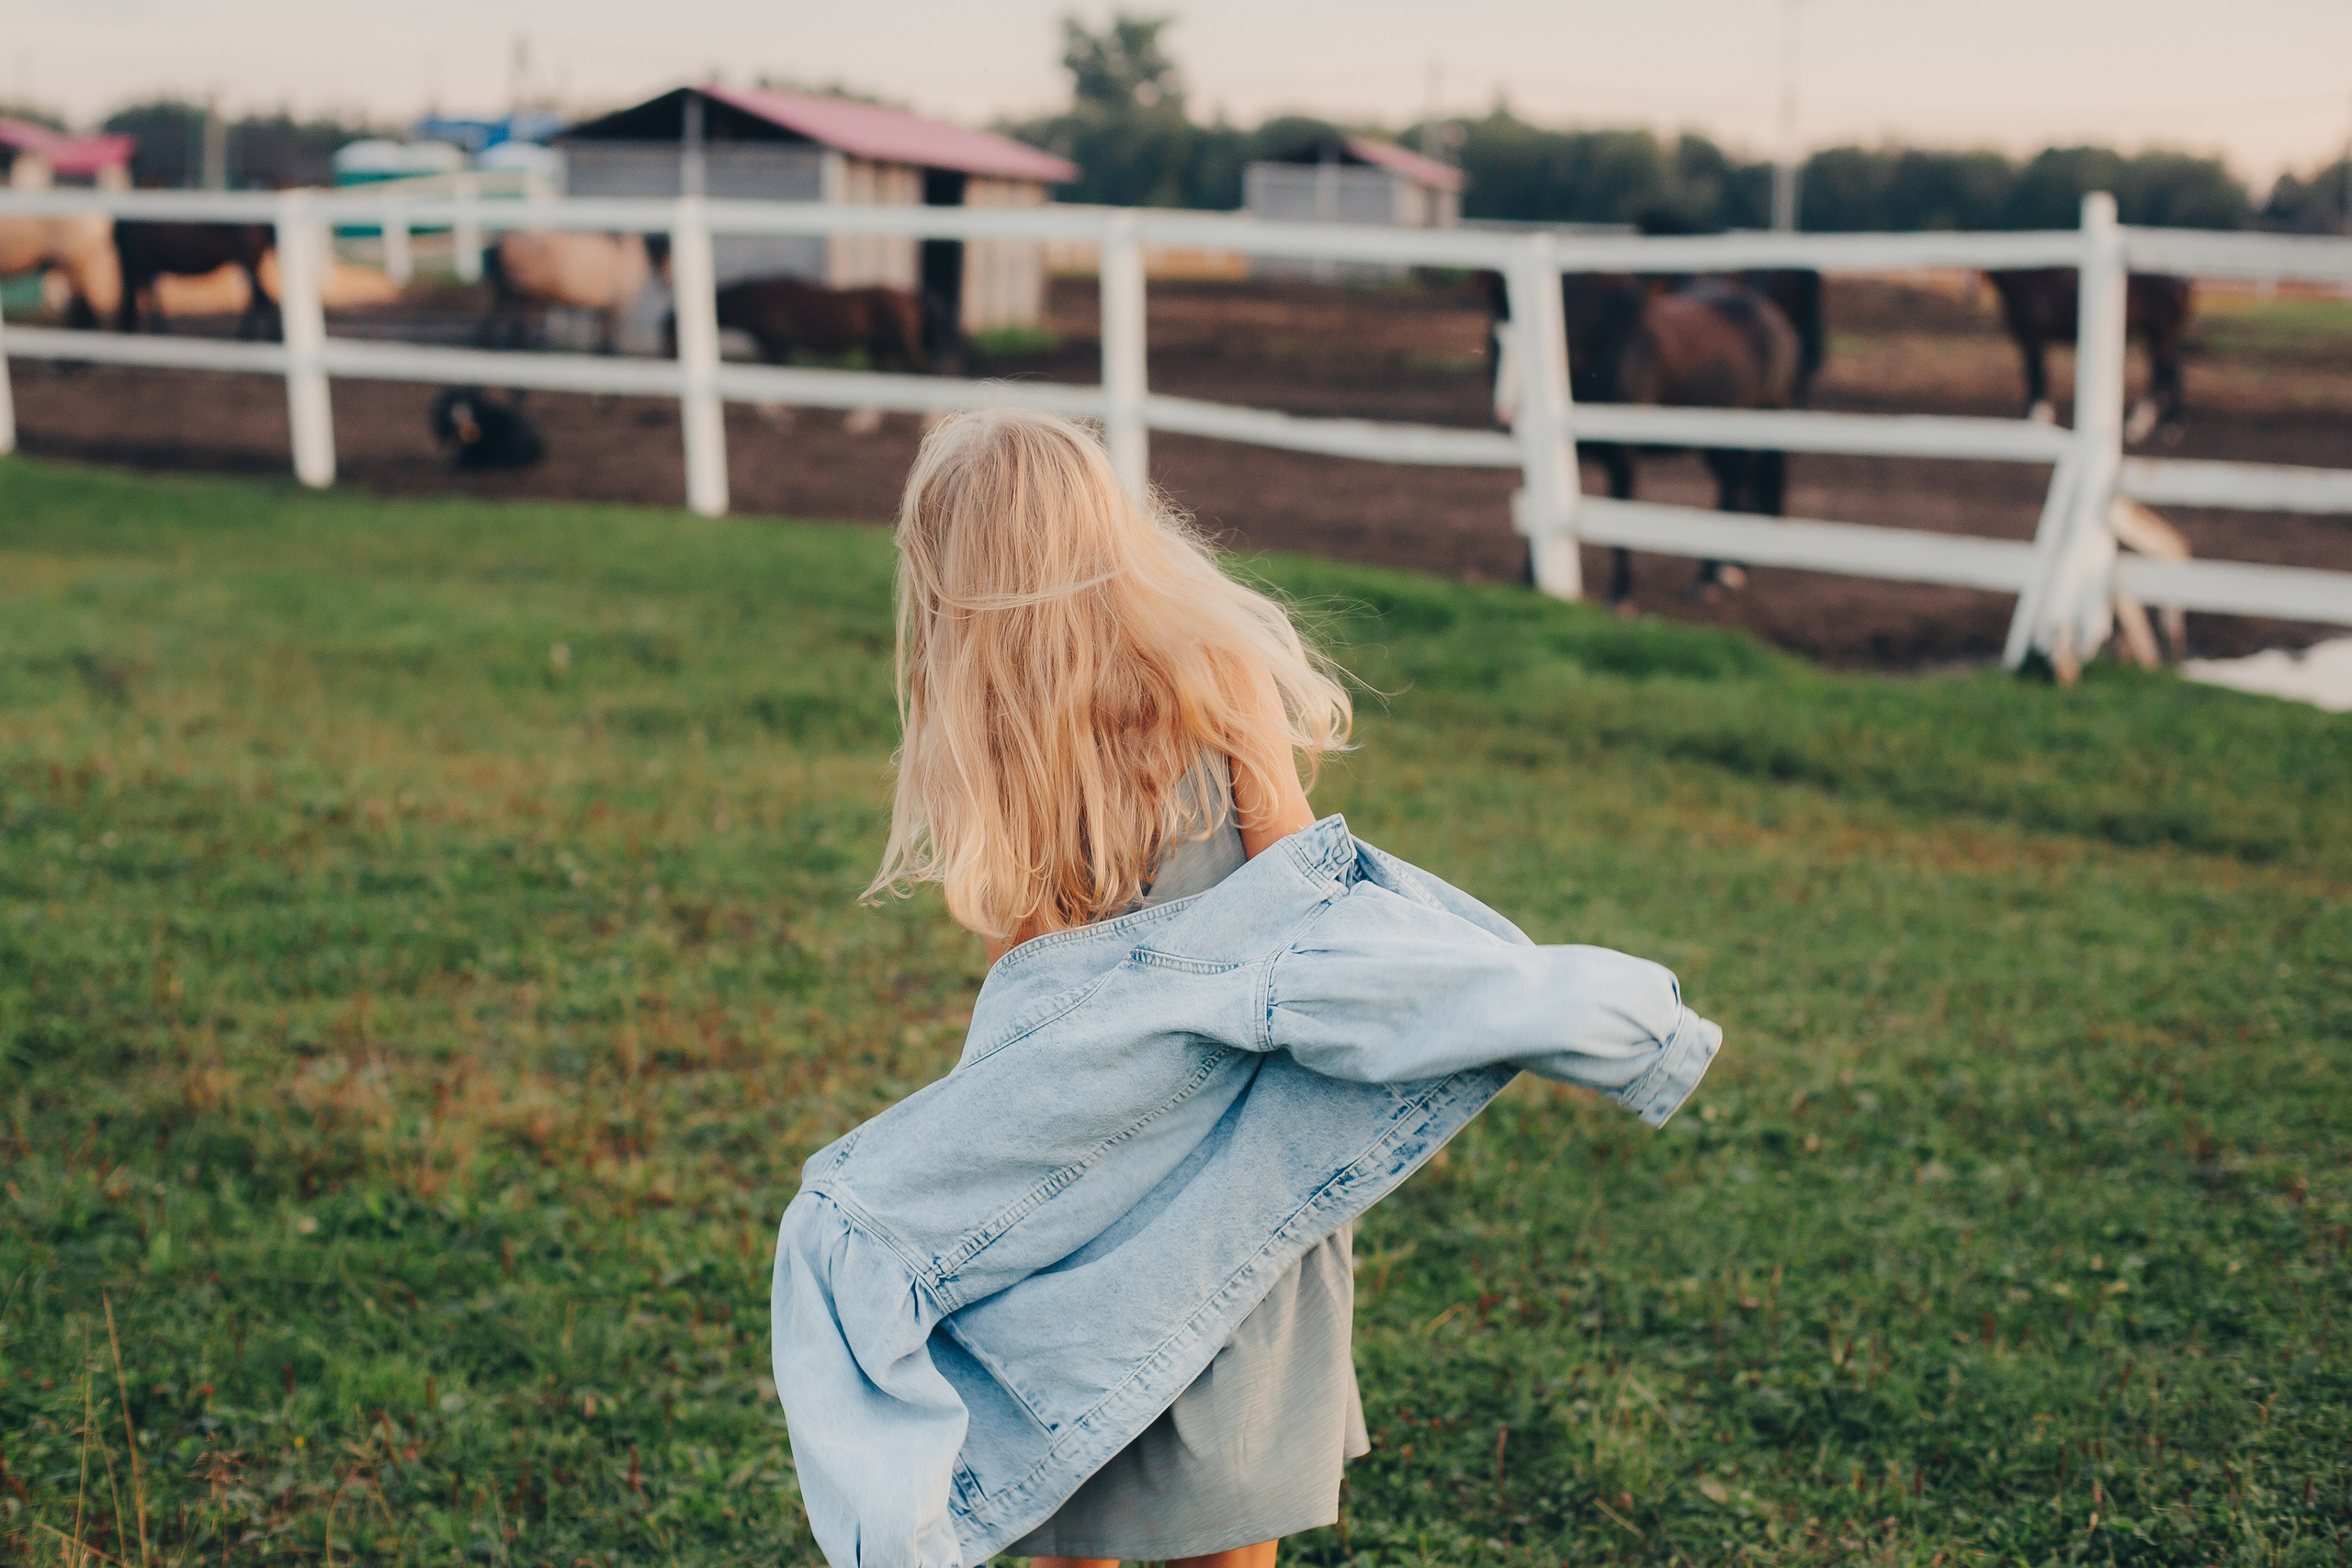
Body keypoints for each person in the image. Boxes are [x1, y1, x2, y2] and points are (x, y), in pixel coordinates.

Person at [771, 409, 1723, 1567]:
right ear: (1108, 530)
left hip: (1107, 1172)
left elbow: (1037, 989)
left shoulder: (1002, 734)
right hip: (1240, 1156)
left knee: (1084, 1452)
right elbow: (1300, 886)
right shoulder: (1210, 668)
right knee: (1232, 1518)